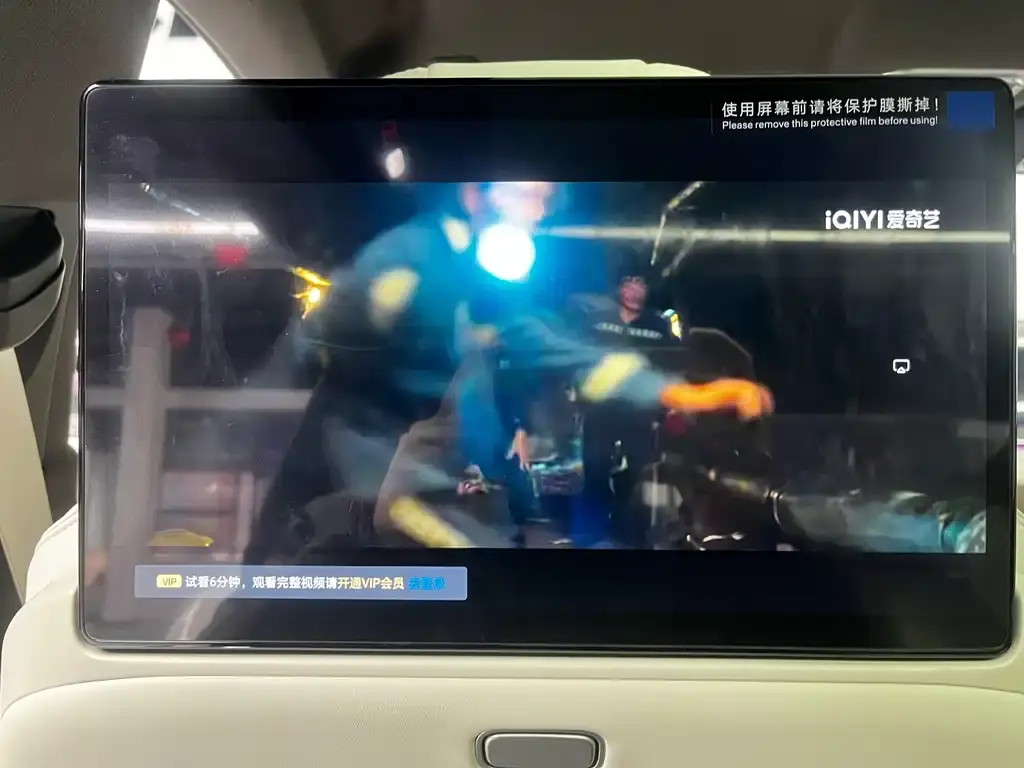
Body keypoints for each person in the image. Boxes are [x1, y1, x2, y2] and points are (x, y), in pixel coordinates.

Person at [242, 182, 775, 561]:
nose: (537, 211)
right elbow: (329, 345)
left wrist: (689, 395)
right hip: (379, 465)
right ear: (475, 196)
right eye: (526, 195)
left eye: (544, 198)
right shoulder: (413, 255)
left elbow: (568, 358)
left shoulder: (501, 306)